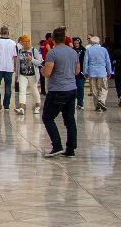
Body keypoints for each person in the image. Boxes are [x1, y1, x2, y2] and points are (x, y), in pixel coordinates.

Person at [41, 26, 80, 158]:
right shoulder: (73, 52)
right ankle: (71, 148)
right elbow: (77, 71)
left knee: (47, 117)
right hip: (71, 89)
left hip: (57, 90)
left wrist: (42, 70)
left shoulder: (53, 53)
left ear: (53, 39)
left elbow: (47, 72)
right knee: (70, 119)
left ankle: (57, 145)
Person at [0, 27, 18, 111]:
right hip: (9, 67)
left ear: (0, 32)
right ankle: (6, 105)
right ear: (8, 33)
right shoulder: (13, 43)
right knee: (8, 86)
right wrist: (15, 66)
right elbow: (15, 56)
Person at [83, 36, 112, 111]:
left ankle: (97, 105)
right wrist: (109, 72)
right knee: (104, 88)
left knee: (94, 89)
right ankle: (101, 100)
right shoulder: (104, 50)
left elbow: (85, 62)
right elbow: (108, 61)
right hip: (102, 71)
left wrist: (85, 72)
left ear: (91, 42)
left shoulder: (88, 50)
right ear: (99, 42)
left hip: (92, 72)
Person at [13, 34, 37, 116]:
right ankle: (21, 108)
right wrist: (16, 74)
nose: (27, 43)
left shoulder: (34, 50)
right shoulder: (20, 51)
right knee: (22, 90)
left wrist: (32, 59)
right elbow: (18, 63)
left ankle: (37, 105)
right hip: (23, 74)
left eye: (28, 42)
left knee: (34, 90)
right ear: (22, 43)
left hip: (32, 74)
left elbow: (40, 62)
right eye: (25, 42)